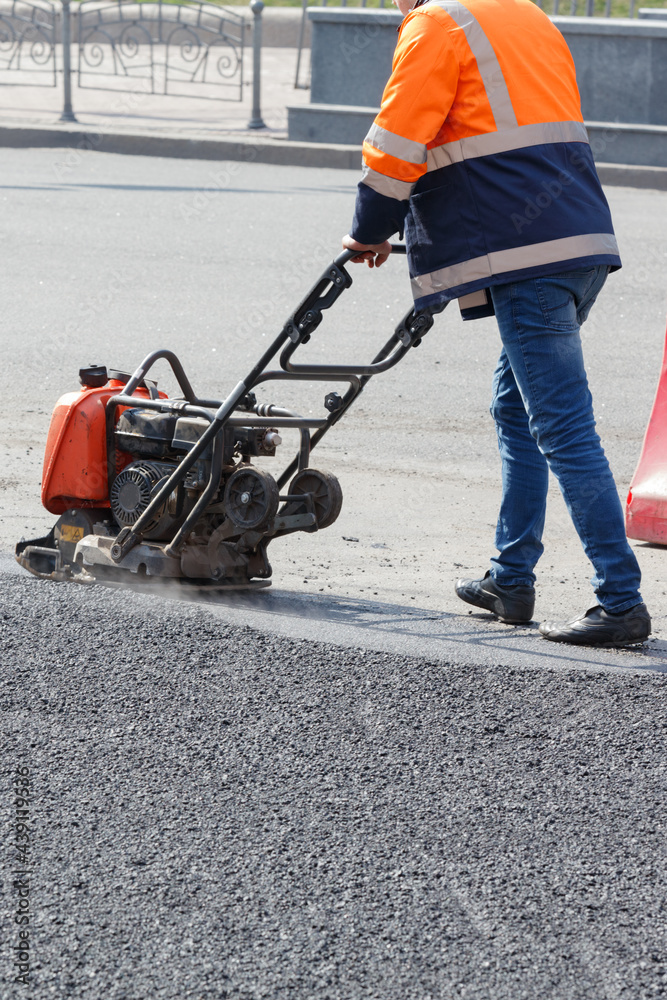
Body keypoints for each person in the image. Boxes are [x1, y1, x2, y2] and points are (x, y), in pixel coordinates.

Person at [342, 0, 651, 646]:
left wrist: (368, 227)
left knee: (562, 427)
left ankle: (619, 599)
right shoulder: (525, 15)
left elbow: (398, 142)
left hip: (527, 259)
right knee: (513, 408)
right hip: (580, 241)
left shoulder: (435, 26)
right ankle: (511, 577)